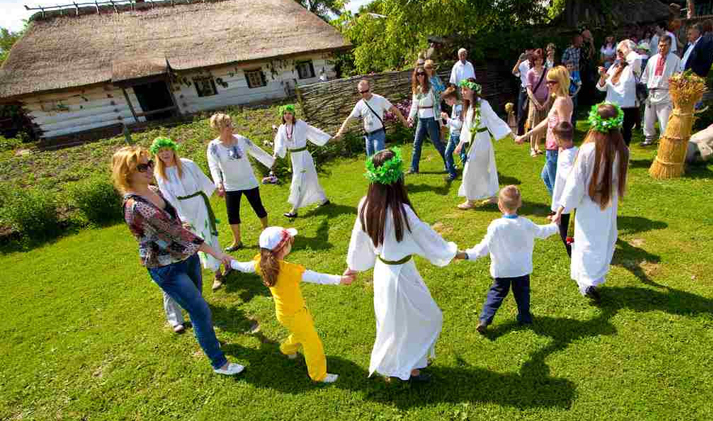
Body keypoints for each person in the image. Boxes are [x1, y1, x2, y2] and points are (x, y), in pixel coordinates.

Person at [112, 146, 243, 376]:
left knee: (197, 306)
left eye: (149, 164)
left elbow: (172, 222)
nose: (149, 169)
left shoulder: (153, 190)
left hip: (187, 257)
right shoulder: (135, 206)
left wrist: (181, 224)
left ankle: (207, 339)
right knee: (200, 310)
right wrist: (217, 253)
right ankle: (219, 363)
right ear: (126, 173)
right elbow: (174, 234)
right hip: (166, 267)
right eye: (141, 167)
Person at [345, 149, 458, 382]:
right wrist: (452, 252)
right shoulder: (401, 211)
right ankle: (408, 367)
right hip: (399, 275)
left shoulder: (366, 204)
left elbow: (358, 239)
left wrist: (354, 265)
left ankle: (407, 364)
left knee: (396, 321)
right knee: (425, 317)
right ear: (397, 179)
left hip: (386, 272)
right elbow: (426, 235)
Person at [228, 227, 353, 384]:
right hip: (296, 315)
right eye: (289, 241)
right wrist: (341, 279)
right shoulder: (289, 270)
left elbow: (244, 267)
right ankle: (318, 375)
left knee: (301, 333)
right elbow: (318, 277)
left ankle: (287, 348)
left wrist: (231, 262)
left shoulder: (261, 263)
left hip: (284, 314)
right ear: (283, 248)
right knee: (312, 343)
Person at [550, 104, 630, 302]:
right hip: (608, 204)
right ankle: (592, 278)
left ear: (595, 124)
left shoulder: (587, 150)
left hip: (588, 204)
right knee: (603, 239)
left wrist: (561, 208)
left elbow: (575, 183)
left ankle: (587, 282)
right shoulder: (622, 150)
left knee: (586, 241)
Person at [151, 137, 230, 335]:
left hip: (198, 204)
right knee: (193, 241)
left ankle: (218, 272)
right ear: (158, 155)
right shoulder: (159, 174)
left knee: (207, 235)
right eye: (161, 152)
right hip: (182, 209)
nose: (165, 154)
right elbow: (167, 198)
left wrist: (216, 190)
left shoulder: (187, 164)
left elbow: (203, 180)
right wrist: (178, 218)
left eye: (168, 149)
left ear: (173, 150)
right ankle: (213, 269)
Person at [455, 185, 559, 333]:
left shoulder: (495, 226)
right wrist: (555, 224)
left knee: (496, 294)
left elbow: (484, 247)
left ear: (499, 205)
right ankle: (524, 317)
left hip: (502, 270)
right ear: (520, 204)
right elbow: (543, 232)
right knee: (523, 294)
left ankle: (485, 319)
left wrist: (466, 254)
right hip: (521, 270)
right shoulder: (526, 224)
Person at [207, 113, 276, 253]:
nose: (231, 127)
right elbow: (213, 166)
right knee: (232, 214)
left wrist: (272, 162)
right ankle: (237, 241)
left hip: (249, 181)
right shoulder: (214, 146)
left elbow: (256, 151)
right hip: (231, 186)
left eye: (230, 123)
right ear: (219, 128)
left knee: (258, 207)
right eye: (227, 125)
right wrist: (219, 183)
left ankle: (267, 234)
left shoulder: (241, 140)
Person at [454, 79, 513, 210]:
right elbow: (466, 127)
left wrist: (512, 135)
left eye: (465, 89)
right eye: (462, 89)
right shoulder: (468, 106)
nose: (462, 92)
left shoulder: (483, 104)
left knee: (469, 170)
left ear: (473, 90)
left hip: (482, 141)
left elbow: (495, 119)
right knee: (483, 170)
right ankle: (492, 197)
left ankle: (470, 200)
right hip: (474, 142)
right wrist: (460, 144)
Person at [515, 65, 573, 196]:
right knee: (546, 177)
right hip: (552, 148)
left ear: (561, 82)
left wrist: (562, 149)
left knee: (556, 184)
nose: (548, 85)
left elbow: (564, 127)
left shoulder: (562, 101)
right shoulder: (560, 100)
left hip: (556, 148)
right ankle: (560, 210)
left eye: (551, 82)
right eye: (547, 81)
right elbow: (547, 121)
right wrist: (526, 135)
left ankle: (559, 212)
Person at [273, 104, 332, 219]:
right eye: (285, 113)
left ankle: (294, 210)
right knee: (311, 179)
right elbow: (279, 143)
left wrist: (328, 138)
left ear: (293, 114)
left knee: (299, 181)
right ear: (282, 115)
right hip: (294, 158)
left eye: (289, 113)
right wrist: (275, 154)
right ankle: (324, 200)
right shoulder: (281, 128)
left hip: (304, 157)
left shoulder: (300, 124)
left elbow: (313, 132)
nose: (287, 115)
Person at [333, 79, 407, 157]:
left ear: (370, 88)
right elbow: (349, 119)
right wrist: (340, 133)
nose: (364, 94)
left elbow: (394, 109)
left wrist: (403, 120)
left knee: (379, 158)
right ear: (359, 92)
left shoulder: (379, 99)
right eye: (362, 92)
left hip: (379, 133)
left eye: (366, 91)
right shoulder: (359, 104)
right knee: (370, 161)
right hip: (368, 137)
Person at [640, 35, 682, 146]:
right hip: (651, 92)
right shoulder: (652, 59)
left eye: (665, 45)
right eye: (660, 45)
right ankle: (649, 137)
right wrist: (644, 92)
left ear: (670, 45)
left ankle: (664, 140)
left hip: (666, 92)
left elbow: (679, 76)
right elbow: (645, 76)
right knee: (648, 118)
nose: (662, 48)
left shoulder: (675, 59)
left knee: (664, 119)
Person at [407, 66, 447, 175]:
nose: (420, 76)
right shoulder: (416, 89)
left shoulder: (431, 88)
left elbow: (437, 104)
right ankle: (414, 168)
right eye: (418, 74)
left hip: (431, 118)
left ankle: (449, 163)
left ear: (425, 75)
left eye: (422, 74)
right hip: (421, 119)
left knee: (437, 142)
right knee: (416, 143)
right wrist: (410, 118)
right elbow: (414, 105)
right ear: (415, 76)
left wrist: (440, 122)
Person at [549, 121, 579, 256]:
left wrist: (559, 210)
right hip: (574, 202)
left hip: (565, 203)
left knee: (566, 234)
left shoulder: (565, 157)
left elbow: (570, 179)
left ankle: (574, 257)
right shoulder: (577, 150)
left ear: (558, 139)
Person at [596, 54, 639, 146]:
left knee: (624, 135)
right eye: (618, 51)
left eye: (622, 51)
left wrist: (627, 51)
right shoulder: (613, 67)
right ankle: (610, 157)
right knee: (609, 134)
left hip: (627, 107)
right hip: (610, 106)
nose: (619, 53)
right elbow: (601, 88)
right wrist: (603, 76)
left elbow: (635, 58)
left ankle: (623, 157)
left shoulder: (633, 67)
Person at [525, 49, 550, 157]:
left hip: (545, 101)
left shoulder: (547, 71)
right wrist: (536, 103)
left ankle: (537, 146)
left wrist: (547, 101)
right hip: (534, 102)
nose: (539, 61)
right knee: (535, 125)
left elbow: (550, 87)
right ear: (533, 60)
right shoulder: (530, 72)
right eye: (536, 59)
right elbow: (529, 90)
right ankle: (531, 148)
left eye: (540, 59)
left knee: (542, 125)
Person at [440, 86, 466, 180]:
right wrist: (446, 125)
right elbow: (453, 122)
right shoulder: (455, 105)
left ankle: (468, 175)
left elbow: (459, 124)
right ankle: (452, 175)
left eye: (447, 101)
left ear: (453, 98)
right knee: (447, 153)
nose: (446, 103)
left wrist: (447, 118)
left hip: (458, 136)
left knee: (463, 156)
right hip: (452, 135)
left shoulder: (459, 107)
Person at [512, 49, 534, 137]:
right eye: (527, 53)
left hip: (533, 90)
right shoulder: (523, 63)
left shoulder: (536, 63)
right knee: (521, 111)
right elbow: (514, 72)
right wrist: (519, 60)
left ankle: (530, 133)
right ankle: (520, 133)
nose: (529, 55)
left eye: (531, 53)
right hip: (524, 89)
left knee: (532, 112)